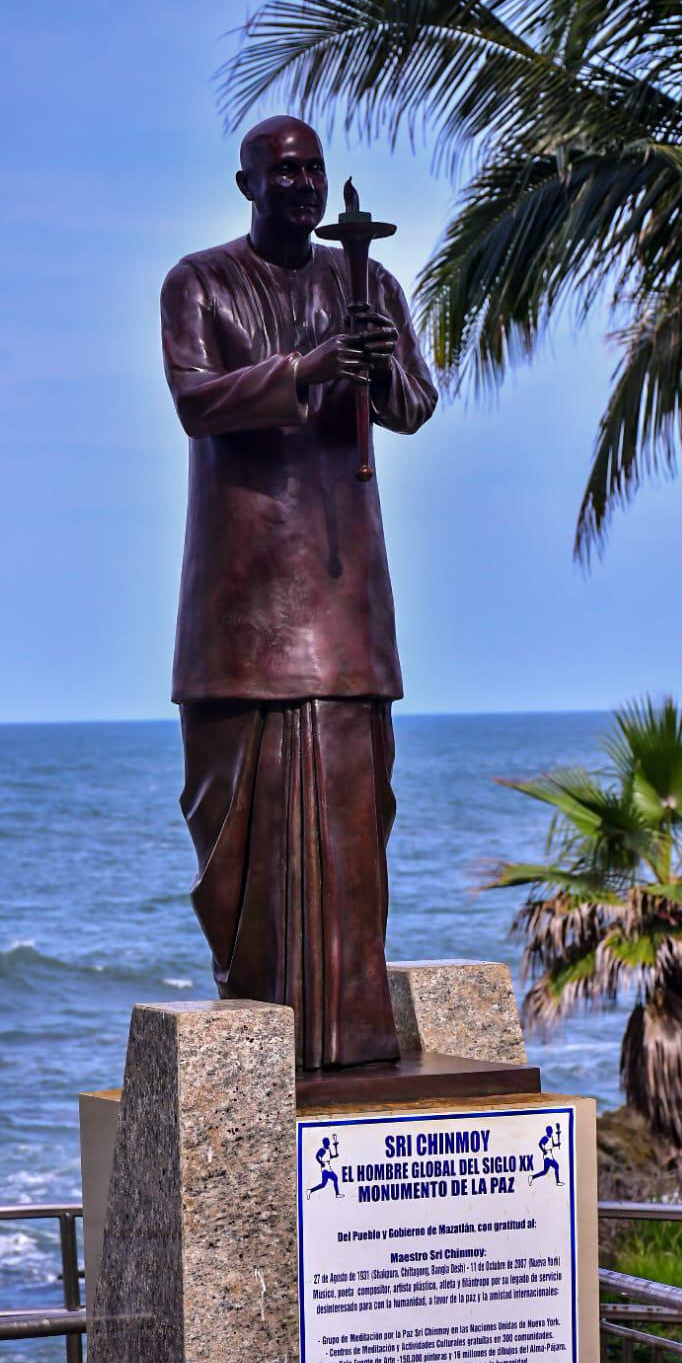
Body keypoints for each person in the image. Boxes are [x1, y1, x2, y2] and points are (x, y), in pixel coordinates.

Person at [160, 116, 437, 1071]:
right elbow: (196, 400)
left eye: (314, 169)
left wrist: (378, 361)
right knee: (236, 829)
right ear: (247, 184)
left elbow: (415, 404)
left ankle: (354, 1039)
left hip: (344, 586)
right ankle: (263, 1033)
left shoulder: (366, 282)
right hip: (242, 601)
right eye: (284, 172)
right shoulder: (198, 282)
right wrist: (307, 369)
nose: (304, 185)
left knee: (358, 823)